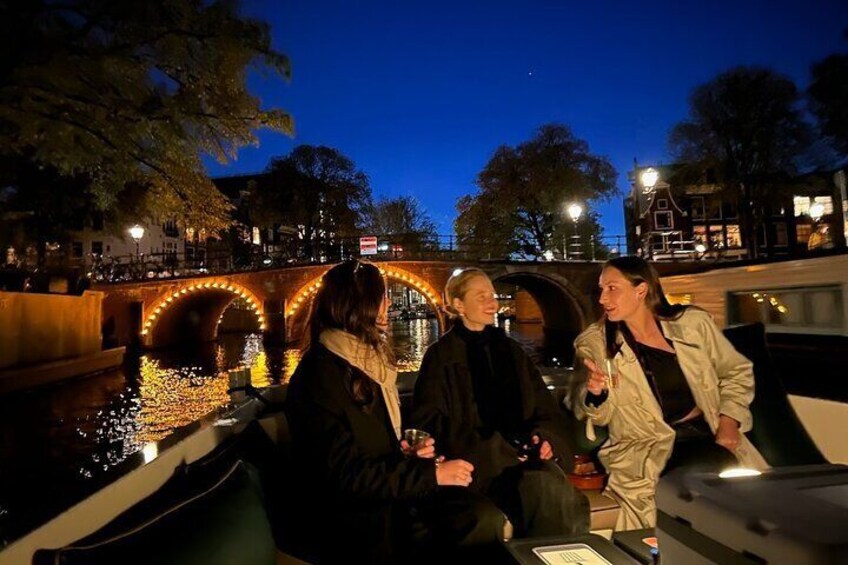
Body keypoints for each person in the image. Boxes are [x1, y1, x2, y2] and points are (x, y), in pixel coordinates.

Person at [283, 260, 504, 564]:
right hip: (353, 516)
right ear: (360, 303)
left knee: (481, 515)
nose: (388, 302)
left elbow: (374, 444)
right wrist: (431, 474)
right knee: (474, 520)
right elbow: (343, 475)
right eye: (383, 295)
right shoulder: (319, 378)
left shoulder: (367, 365)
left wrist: (410, 453)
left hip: (390, 493)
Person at [572, 256, 767, 531]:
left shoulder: (694, 324)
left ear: (641, 290)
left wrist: (729, 422)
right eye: (601, 289)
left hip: (707, 432)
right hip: (645, 447)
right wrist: (596, 392)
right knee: (710, 481)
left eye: (612, 288)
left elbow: (736, 372)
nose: (602, 298)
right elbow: (592, 411)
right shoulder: (594, 343)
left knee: (741, 490)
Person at [410, 267, 590, 538]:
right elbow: (430, 422)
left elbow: (544, 408)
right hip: (475, 470)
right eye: (481, 296)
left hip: (523, 459)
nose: (493, 303)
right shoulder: (441, 357)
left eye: (492, 295)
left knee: (547, 486)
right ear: (458, 304)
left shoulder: (512, 352)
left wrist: (545, 439)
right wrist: (497, 450)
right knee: (537, 493)